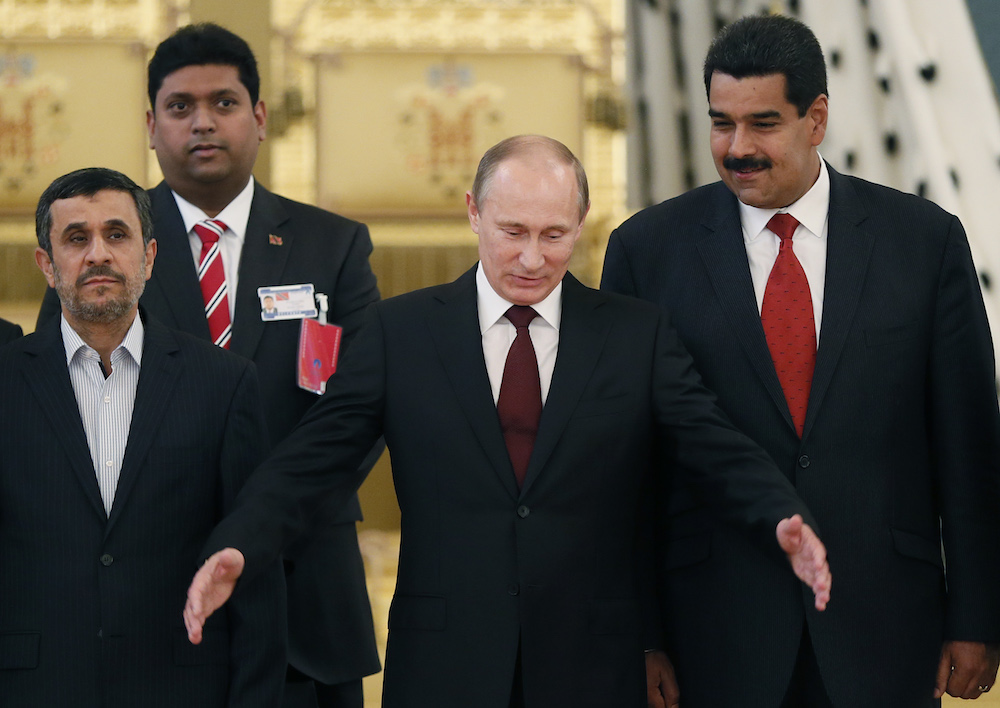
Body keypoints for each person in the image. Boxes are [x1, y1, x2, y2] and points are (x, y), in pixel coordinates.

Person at [181, 135, 831, 708]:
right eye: (511, 231)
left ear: (581, 224)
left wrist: (780, 515)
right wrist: (240, 541)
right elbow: (313, 460)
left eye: (554, 236)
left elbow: (712, 446)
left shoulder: (637, 336)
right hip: (444, 665)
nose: (531, 259)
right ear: (473, 212)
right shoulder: (401, 333)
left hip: (593, 665)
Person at [602, 14, 1000, 708]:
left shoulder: (924, 243)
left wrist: (977, 617)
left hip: (886, 628)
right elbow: (626, 468)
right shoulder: (646, 252)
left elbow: (969, 447)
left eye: (763, 123)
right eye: (720, 123)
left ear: (816, 119)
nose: (737, 148)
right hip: (712, 635)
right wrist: (639, 634)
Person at [35, 24, 381, 708]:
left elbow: (356, 408)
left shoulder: (331, 246)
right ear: (151, 125)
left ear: (258, 117)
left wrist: (258, 520)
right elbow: (63, 409)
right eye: (180, 106)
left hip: (304, 586)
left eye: (223, 103)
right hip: (144, 596)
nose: (202, 122)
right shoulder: (103, 248)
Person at [0, 167, 285, 707]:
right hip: (34, 687)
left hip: (183, 687)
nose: (98, 254)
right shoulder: (5, 380)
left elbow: (254, 568)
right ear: (46, 264)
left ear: (150, 257)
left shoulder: (223, 383)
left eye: (117, 234)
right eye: (76, 238)